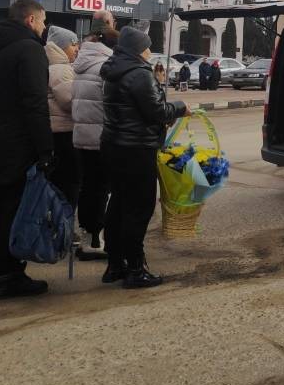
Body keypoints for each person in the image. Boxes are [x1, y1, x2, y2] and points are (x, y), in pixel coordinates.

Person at [0, 0, 53, 299]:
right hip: (20, 143)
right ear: (31, 20)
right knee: (16, 210)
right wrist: (45, 149)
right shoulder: (30, 50)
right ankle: (10, 275)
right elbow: (35, 102)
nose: (44, 28)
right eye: (43, 22)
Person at [100, 27, 188, 287]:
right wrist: (181, 108)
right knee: (138, 209)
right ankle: (136, 269)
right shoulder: (139, 74)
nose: (150, 51)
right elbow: (156, 112)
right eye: (147, 46)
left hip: (113, 146)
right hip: (136, 150)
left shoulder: (114, 70)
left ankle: (115, 265)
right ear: (138, 49)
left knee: (117, 206)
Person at [72, 21, 118, 262]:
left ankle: (86, 234)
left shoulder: (81, 64)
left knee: (88, 188)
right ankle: (94, 241)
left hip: (81, 136)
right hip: (100, 137)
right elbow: (110, 104)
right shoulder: (105, 68)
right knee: (100, 190)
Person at [45, 26, 81, 212]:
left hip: (55, 134)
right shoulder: (60, 68)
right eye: (73, 44)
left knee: (57, 181)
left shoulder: (53, 65)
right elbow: (69, 101)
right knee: (69, 183)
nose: (76, 48)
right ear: (62, 46)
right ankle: (64, 225)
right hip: (64, 134)